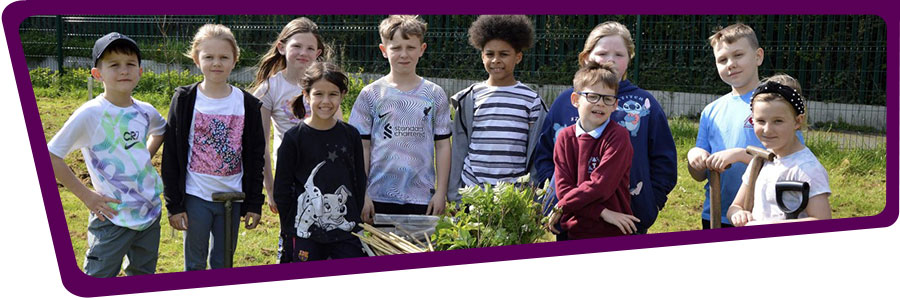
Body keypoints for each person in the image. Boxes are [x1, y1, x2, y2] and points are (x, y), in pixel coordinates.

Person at [534, 21, 677, 238]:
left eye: (619, 54)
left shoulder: (645, 103)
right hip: (571, 217)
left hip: (626, 220)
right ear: (586, 57)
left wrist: (650, 201)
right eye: (602, 53)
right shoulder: (565, 101)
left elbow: (664, 160)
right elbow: (545, 154)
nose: (610, 59)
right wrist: (553, 196)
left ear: (629, 60)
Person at [48, 32, 165, 277]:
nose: (124, 70)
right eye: (114, 65)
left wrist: (144, 156)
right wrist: (86, 196)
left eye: (130, 64)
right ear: (97, 74)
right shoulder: (91, 114)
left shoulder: (146, 111)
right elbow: (50, 156)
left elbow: (161, 130)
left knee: (143, 276)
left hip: (149, 215)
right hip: (111, 218)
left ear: (140, 72)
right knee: (98, 279)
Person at [161, 24, 266, 270]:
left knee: (223, 262)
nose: (216, 63)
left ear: (234, 60)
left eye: (223, 57)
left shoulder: (248, 104)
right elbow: (172, 154)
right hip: (196, 196)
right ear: (197, 59)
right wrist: (174, 205)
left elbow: (254, 157)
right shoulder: (185, 100)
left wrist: (253, 203)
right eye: (208, 57)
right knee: (194, 263)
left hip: (233, 197)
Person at [686, 23, 803, 229]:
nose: (730, 64)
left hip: (766, 215)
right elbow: (699, 175)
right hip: (716, 213)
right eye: (722, 59)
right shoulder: (711, 111)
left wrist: (740, 155)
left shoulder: (776, 103)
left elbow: (789, 164)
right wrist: (694, 158)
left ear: (758, 56)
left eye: (738, 55)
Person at [249, 17, 338, 263]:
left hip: (326, 175)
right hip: (289, 178)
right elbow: (262, 145)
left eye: (310, 48)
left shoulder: (326, 84)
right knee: (293, 239)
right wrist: (270, 187)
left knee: (324, 239)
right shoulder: (269, 89)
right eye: (297, 46)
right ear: (281, 47)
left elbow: (339, 132)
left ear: (318, 53)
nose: (303, 53)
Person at [348, 15, 451, 220]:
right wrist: (363, 193)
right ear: (384, 51)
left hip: (422, 197)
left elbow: (443, 146)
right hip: (377, 196)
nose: (403, 54)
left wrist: (441, 193)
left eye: (410, 47)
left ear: (422, 49)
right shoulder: (371, 94)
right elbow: (362, 147)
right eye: (395, 48)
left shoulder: (435, 94)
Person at [273, 62, 367, 261]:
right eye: (318, 94)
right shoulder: (293, 138)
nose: (326, 101)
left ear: (342, 95)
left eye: (333, 94)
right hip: (305, 233)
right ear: (306, 95)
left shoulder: (351, 135)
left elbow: (359, 180)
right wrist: (290, 229)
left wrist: (355, 219)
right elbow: (282, 189)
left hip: (344, 231)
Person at [448, 15, 546, 203]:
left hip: (512, 197)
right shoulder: (470, 97)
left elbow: (536, 153)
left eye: (504, 54)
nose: (496, 60)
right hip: (473, 193)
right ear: (482, 55)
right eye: (490, 54)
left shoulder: (532, 101)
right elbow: (459, 150)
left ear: (518, 57)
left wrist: (532, 197)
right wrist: (454, 195)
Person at [545, 61, 636, 239]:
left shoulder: (618, 137)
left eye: (607, 99)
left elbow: (601, 186)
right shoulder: (564, 138)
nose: (600, 103)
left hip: (611, 232)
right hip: (573, 229)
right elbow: (563, 189)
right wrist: (601, 211)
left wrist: (562, 206)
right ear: (575, 100)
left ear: (614, 105)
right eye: (593, 96)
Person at [727, 75, 831, 226]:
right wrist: (738, 214)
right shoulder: (759, 161)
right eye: (760, 121)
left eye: (778, 121)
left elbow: (822, 221)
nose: (767, 130)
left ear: (797, 121)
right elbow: (736, 206)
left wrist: (767, 226)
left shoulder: (807, 169)